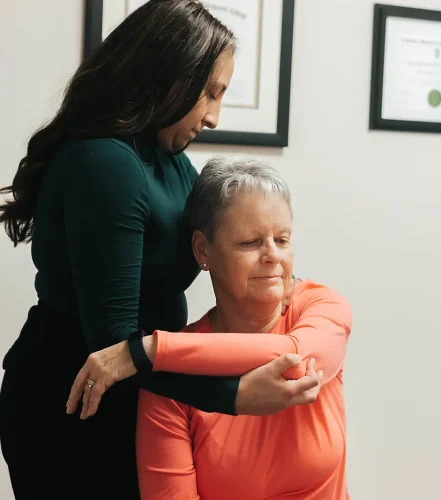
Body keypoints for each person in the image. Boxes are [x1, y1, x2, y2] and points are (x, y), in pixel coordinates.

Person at [0, 2, 321, 499]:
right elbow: (115, 350)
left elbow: (221, 249)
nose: (214, 116)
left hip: (142, 396)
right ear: (167, 75)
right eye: (208, 93)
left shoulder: (169, 162)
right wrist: (234, 396)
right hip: (75, 406)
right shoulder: (107, 163)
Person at [66, 158, 353, 499]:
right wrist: (156, 357)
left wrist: (146, 352)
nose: (272, 255)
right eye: (250, 242)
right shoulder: (169, 378)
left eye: (282, 239)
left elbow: (290, 352)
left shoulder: (321, 307)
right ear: (203, 249)